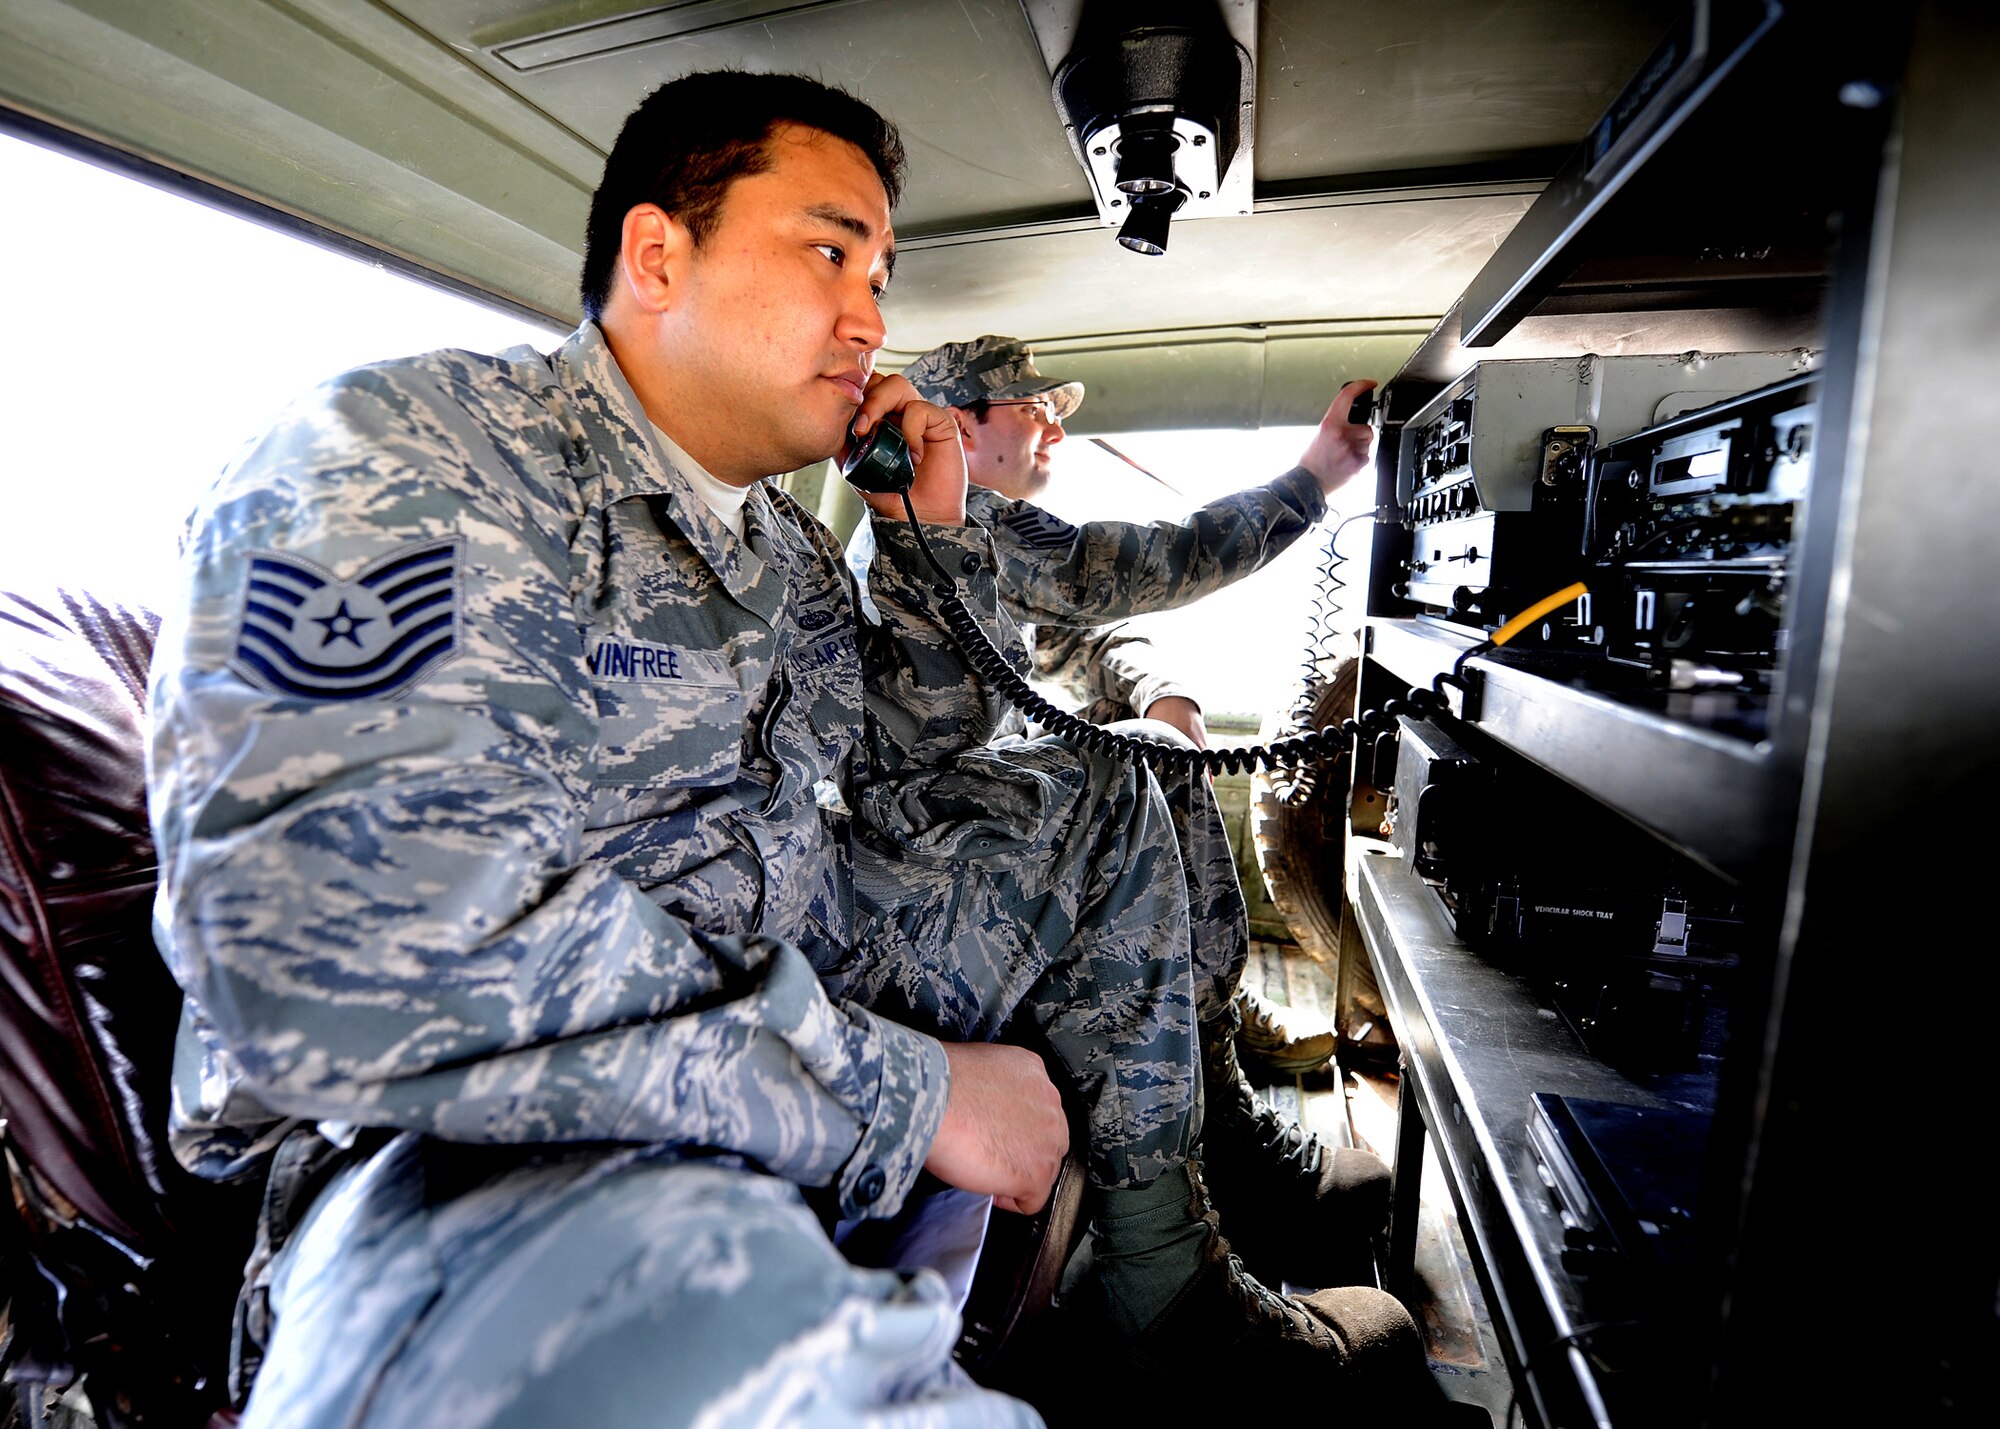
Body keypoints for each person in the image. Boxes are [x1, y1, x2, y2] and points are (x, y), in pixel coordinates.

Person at [147, 70, 1445, 1426]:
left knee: (1106, 779)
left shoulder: (789, 548)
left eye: (883, 273)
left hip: (790, 962)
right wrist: (904, 1091)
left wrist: (926, 548)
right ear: (660, 254)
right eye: (830, 252)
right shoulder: (415, 458)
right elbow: (357, 963)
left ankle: (1164, 1291)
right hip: (490, 1137)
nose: (872, 315)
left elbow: (914, 771)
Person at [845, 335, 1384, 1287]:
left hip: (954, 835)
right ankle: (1191, 1186)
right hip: (924, 863)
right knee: (1142, 762)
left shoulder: (975, 533)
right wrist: (1313, 480)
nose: (1052, 423)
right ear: (956, 423)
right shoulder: (958, 522)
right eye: (1029, 407)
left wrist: (1162, 687)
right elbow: (1137, 564)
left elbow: (1083, 640)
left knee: (1155, 749)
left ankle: (1215, 1101)